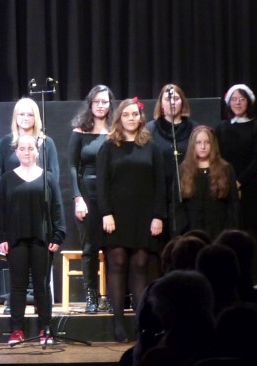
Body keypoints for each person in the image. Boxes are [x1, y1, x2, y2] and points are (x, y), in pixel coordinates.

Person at [97, 98, 166, 342]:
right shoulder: (109, 147)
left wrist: (158, 216)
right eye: (126, 114)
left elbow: (160, 185)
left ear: (140, 117)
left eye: (135, 114)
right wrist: (106, 213)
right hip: (116, 216)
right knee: (117, 264)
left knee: (140, 266)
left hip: (144, 216)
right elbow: (102, 184)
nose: (131, 118)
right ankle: (118, 324)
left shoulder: (151, 147)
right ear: (119, 118)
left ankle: (141, 324)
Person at [0, 134, 66, 346]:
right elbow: (0, 210)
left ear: (37, 151)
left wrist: (58, 234)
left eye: (30, 148)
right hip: (16, 240)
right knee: (17, 286)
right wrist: (1, 236)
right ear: (16, 152)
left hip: (42, 239)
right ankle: (16, 329)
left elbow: (57, 208)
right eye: (22, 148)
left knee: (42, 285)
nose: (27, 152)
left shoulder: (48, 178)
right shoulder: (7, 179)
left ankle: (46, 328)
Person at [67, 84, 113, 314]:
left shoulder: (116, 130)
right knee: (90, 248)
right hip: (87, 193)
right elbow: (72, 166)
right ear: (90, 104)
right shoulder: (80, 131)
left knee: (114, 248)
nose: (101, 106)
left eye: (105, 101)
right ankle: (91, 296)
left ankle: (114, 296)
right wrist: (78, 198)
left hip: (112, 194)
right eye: (97, 102)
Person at [214, 84, 257, 232]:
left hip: (249, 185)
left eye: (242, 99)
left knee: (250, 230)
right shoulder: (221, 127)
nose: (237, 103)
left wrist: (239, 182)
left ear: (248, 102)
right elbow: (216, 155)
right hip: (225, 185)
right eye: (234, 99)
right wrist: (225, 181)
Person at [146, 83, 199, 237]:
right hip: (159, 195)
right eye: (168, 99)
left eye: (176, 98)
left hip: (188, 193)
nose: (172, 102)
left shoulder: (194, 129)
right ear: (161, 103)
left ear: (182, 101)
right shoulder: (150, 129)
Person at [177, 126, 239, 240]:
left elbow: (233, 204)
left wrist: (231, 232)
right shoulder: (183, 169)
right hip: (192, 231)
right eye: (198, 143)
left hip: (219, 231)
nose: (203, 147)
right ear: (193, 145)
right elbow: (177, 205)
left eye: (207, 142)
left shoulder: (225, 168)